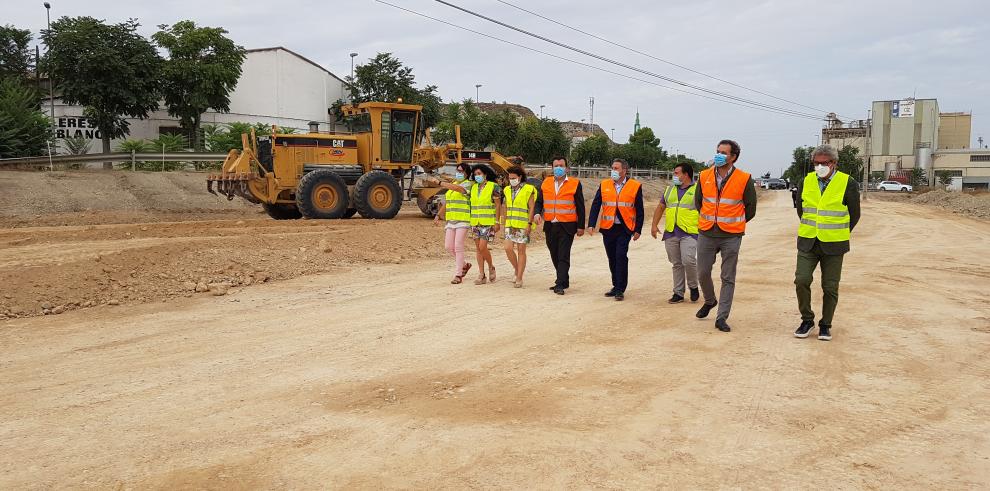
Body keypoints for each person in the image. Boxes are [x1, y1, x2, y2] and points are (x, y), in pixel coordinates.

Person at [792, 144, 861, 341]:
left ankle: (825, 324)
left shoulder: (848, 182)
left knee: (830, 287)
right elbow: (801, 210)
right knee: (801, 280)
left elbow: (854, 214)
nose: (819, 166)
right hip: (808, 241)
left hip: (834, 244)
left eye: (824, 163)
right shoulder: (805, 181)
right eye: (816, 163)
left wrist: (839, 232)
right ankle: (807, 319)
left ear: (834, 163)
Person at [694, 139, 757, 332]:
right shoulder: (704, 175)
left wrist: (735, 222)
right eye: (717, 151)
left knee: (727, 277)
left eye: (724, 152)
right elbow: (699, 202)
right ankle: (710, 300)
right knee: (702, 272)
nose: (719, 155)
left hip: (731, 235)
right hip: (707, 232)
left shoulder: (745, 178)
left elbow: (751, 208)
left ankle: (722, 317)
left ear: (733, 157)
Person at [588, 158, 644, 301]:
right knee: (612, 257)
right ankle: (615, 285)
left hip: (625, 228)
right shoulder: (604, 184)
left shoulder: (635, 186)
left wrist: (638, 229)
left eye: (616, 168)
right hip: (608, 228)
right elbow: (596, 204)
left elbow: (639, 209)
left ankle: (620, 288)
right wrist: (591, 224)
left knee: (620, 256)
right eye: (612, 168)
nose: (613, 171)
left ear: (624, 170)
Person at [535, 156, 586, 295]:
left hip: (567, 225)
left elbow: (580, 206)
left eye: (561, 165)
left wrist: (581, 226)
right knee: (554, 254)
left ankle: (559, 284)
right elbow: (539, 201)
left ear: (567, 168)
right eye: (556, 165)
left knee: (563, 255)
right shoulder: (546, 182)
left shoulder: (575, 183)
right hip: (550, 224)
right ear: (552, 168)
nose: (558, 168)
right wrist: (537, 213)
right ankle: (564, 279)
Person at [650, 163, 700, 304]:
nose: (674, 176)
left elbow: (705, 210)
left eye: (677, 173)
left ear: (686, 174)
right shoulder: (669, 190)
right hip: (671, 232)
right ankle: (678, 293)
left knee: (688, 260)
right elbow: (661, 207)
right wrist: (654, 225)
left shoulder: (697, 190)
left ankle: (693, 286)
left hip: (690, 232)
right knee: (676, 263)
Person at [433, 163, 475, 284]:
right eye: (457, 170)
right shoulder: (454, 184)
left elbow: (459, 190)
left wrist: (440, 183)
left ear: (467, 173)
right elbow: (448, 202)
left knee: (458, 246)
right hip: (451, 220)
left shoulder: (468, 184)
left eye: (461, 171)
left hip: (463, 219)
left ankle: (458, 274)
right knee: (448, 247)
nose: (458, 172)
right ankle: (465, 265)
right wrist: (438, 214)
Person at [500, 165, 537, 288]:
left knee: (521, 251)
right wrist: (503, 223)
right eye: (510, 178)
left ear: (520, 177)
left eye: (513, 177)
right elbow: (505, 207)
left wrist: (529, 224)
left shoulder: (528, 189)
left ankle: (519, 277)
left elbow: (532, 207)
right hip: (510, 224)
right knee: (508, 248)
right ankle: (517, 269)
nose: (511, 180)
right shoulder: (506, 190)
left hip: (523, 224)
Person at [469, 164, 502, 284]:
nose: (477, 176)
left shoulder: (494, 187)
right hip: (475, 222)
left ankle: (491, 266)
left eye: (479, 174)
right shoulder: (473, 188)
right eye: (475, 174)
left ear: (485, 174)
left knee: (483, 247)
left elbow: (498, 205)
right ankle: (481, 275)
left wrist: (497, 221)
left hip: (488, 222)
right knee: (478, 249)